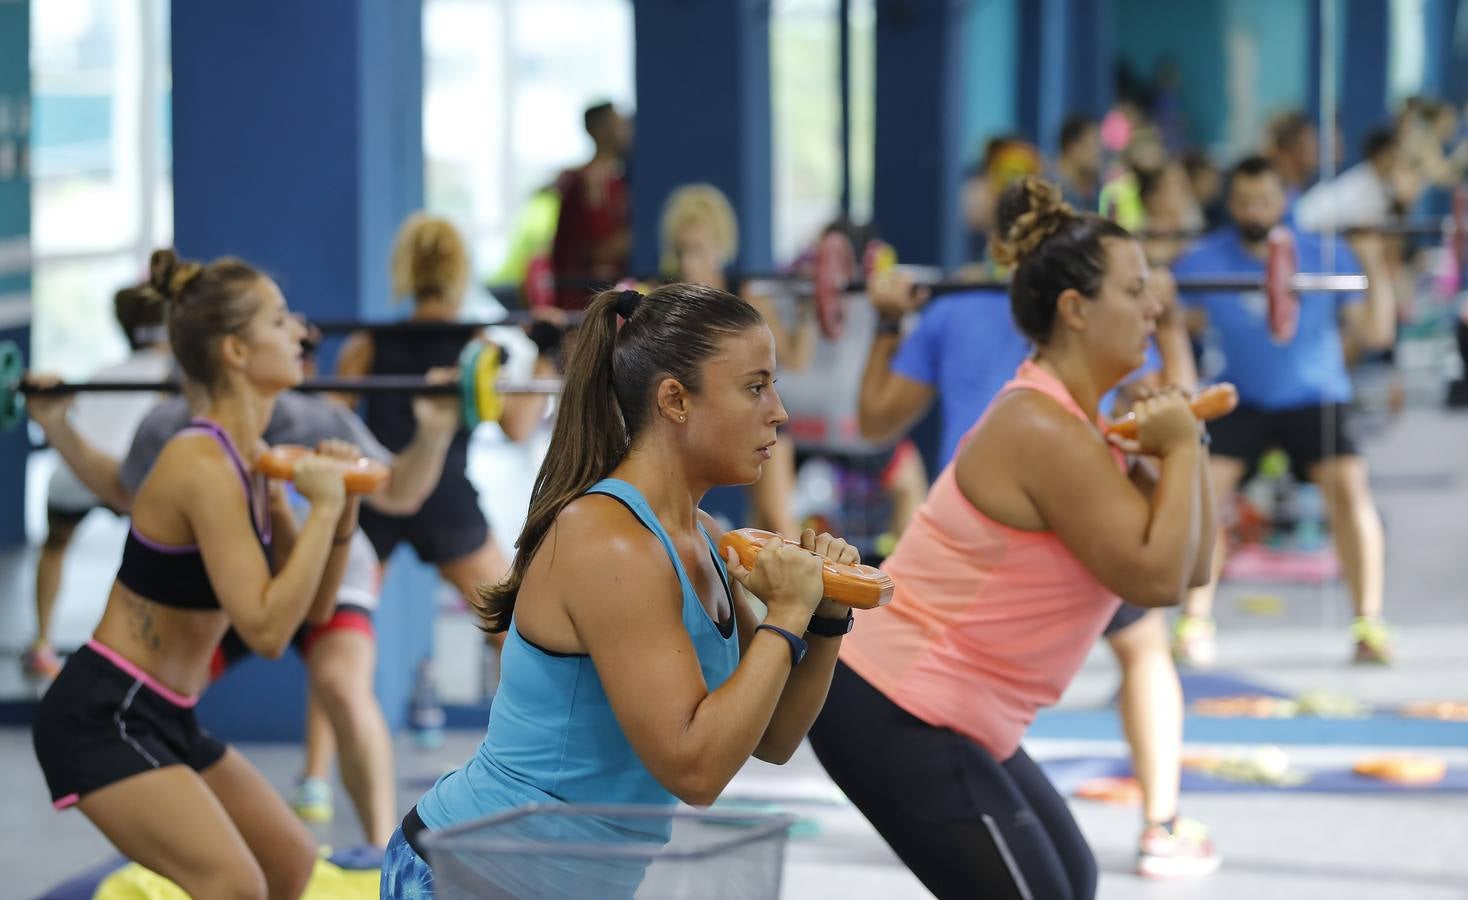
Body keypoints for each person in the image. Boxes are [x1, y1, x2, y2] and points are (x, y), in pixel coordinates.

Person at [381, 283, 861, 899]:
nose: (779, 411)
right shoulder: (609, 542)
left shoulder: (702, 537)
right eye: (754, 386)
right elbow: (696, 769)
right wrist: (788, 612)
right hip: (468, 875)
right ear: (675, 400)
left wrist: (823, 620)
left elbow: (770, 737)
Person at [811, 177, 1216, 900]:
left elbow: (1190, 570)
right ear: (1076, 310)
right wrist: (1181, 452)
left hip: (958, 714)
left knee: (1074, 878)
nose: (1155, 308)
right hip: (896, 701)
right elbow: (1152, 581)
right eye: (1135, 291)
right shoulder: (1041, 426)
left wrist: (1187, 450)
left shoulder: (1090, 426)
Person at [27, 250, 363, 899]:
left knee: (290, 861)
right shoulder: (200, 462)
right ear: (236, 352)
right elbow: (265, 632)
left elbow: (315, 610)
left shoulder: (247, 460)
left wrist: (341, 507)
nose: (301, 332)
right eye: (279, 320)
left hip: (167, 713)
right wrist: (321, 507)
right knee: (232, 883)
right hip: (103, 713)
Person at [1172, 156, 1397, 667]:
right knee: (1204, 493)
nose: (1255, 209)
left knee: (1349, 489)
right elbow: (1168, 323)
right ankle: (1194, 621)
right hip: (1241, 397)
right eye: (1245, 200)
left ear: (1285, 200)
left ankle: (1369, 623)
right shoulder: (1201, 260)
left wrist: (1375, 263)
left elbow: (1377, 334)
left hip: (1314, 398)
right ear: (1231, 204)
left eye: (1266, 199)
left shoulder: (1326, 253)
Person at [336, 213, 556, 621]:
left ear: (405, 269)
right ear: (460, 270)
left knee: (342, 628)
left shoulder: (367, 344)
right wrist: (547, 354)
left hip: (380, 494)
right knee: (514, 634)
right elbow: (519, 427)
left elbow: (330, 418)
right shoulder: (479, 347)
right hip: (444, 500)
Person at [23, 279, 175, 682]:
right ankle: (134, 653)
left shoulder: (102, 372)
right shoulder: (171, 378)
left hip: (75, 478)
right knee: (153, 551)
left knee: (54, 547)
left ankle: (42, 643)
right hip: (126, 481)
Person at [659, 183, 806, 537]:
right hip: (692, 421)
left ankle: (796, 585)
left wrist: (808, 309)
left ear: (719, 250)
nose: (687, 262)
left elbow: (797, 359)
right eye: (681, 250)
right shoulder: (666, 305)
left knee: (778, 522)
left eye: (696, 250)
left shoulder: (749, 298)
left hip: (749, 417)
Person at [550, 101, 634, 310]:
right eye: (618, 123)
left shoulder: (618, 181)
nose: (627, 129)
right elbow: (598, 249)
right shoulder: (585, 183)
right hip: (584, 304)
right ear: (600, 129)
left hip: (612, 300)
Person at [1053, 113, 1104, 212]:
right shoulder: (1047, 189)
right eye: (1094, 144)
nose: (1099, 151)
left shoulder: (1094, 187)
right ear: (1073, 146)